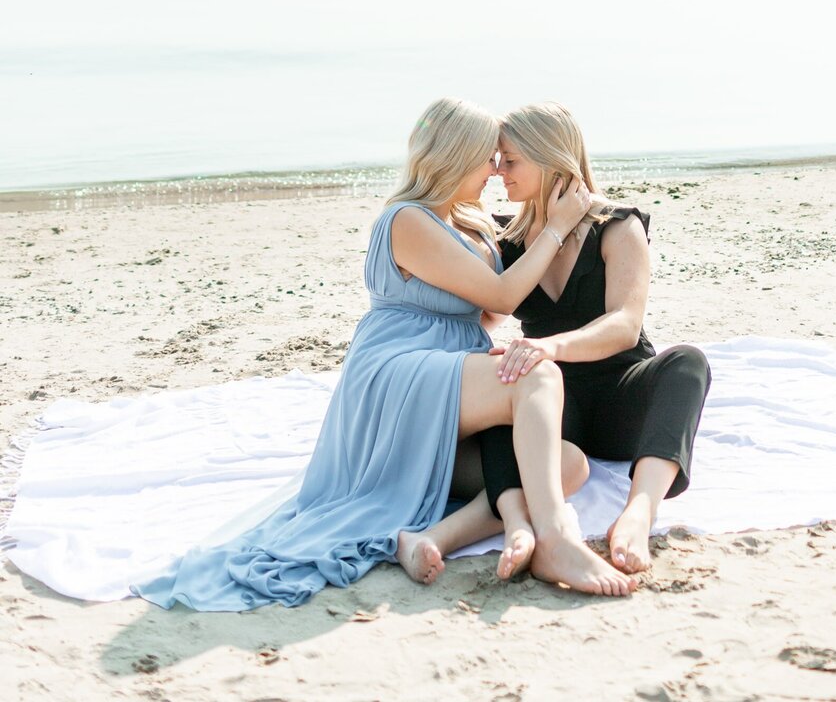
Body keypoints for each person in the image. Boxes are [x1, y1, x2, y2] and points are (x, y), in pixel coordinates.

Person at [136, 98, 633, 608]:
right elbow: (504, 297)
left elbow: (485, 314)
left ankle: (443, 537)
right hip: (398, 368)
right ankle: (556, 540)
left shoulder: (472, 224)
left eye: (503, 160)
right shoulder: (407, 220)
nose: (495, 169)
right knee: (539, 375)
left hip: (445, 366)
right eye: (489, 158)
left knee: (566, 464)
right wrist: (555, 228)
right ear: (457, 156)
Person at [452, 102, 711, 576]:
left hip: (622, 396)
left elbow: (624, 324)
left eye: (510, 160)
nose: (498, 172)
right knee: (503, 384)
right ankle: (506, 519)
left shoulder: (617, 225)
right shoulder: (509, 243)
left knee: (688, 363)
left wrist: (549, 345)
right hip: (554, 406)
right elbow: (484, 316)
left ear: (549, 158)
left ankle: (639, 511)